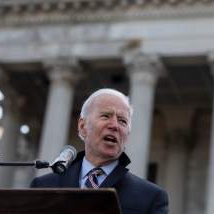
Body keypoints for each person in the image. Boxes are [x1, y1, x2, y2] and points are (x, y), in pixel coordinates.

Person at [30, 88, 169, 214]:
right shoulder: (43, 187)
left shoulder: (151, 197)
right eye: (106, 116)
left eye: (122, 121)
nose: (115, 125)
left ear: (127, 136)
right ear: (83, 126)